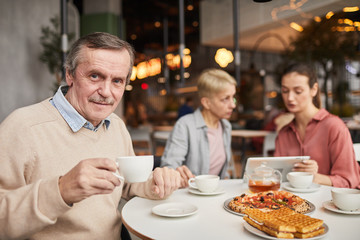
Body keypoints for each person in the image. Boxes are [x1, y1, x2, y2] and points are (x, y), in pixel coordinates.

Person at [0, 32, 181, 239]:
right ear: (70, 74)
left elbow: (127, 184)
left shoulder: (116, 125)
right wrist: (60, 190)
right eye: (95, 76)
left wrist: (155, 183)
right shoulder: (23, 127)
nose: (106, 92)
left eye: (117, 81)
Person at [274, 63, 360, 188]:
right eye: (285, 91)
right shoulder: (283, 133)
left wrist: (314, 177)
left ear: (314, 89)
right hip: (293, 204)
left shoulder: (334, 127)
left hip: (329, 204)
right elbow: (279, 179)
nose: (290, 98)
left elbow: (349, 181)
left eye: (298, 91)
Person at [161, 69, 237, 187]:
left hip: (214, 192)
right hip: (189, 194)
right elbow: (168, 167)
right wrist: (177, 174)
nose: (233, 105)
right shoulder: (185, 125)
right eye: (225, 99)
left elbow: (221, 170)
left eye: (233, 97)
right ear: (206, 103)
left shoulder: (226, 126)